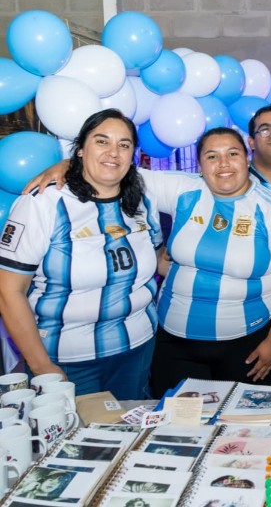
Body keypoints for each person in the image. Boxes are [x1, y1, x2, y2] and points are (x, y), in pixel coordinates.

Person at [0, 109, 162, 399]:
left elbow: (158, 258)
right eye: (102, 141)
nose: (113, 152)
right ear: (80, 150)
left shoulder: (141, 201)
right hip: (68, 361)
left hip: (137, 349)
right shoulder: (43, 203)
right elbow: (8, 291)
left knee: (130, 436)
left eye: (124, 145)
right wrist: (42, 367)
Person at [146, 127, 271, 394]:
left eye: (232, 153)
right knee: (178, 427)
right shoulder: (184, 190)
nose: (223, 163)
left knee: (242, 429)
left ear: (247, 158)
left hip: (246, 346)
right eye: (212, 156)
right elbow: (117, 172)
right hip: (174, 343)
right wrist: (67, 165)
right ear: (199, 165)